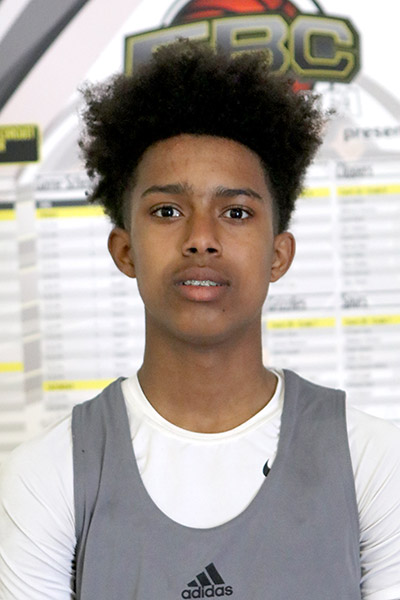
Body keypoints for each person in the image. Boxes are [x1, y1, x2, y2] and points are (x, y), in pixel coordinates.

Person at [1, 39, 400, 600]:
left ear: (278, 255)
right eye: (167, 211)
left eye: (235, 212)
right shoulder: (46, 475)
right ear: (125, 251)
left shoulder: (376, 462)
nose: (202, 239)